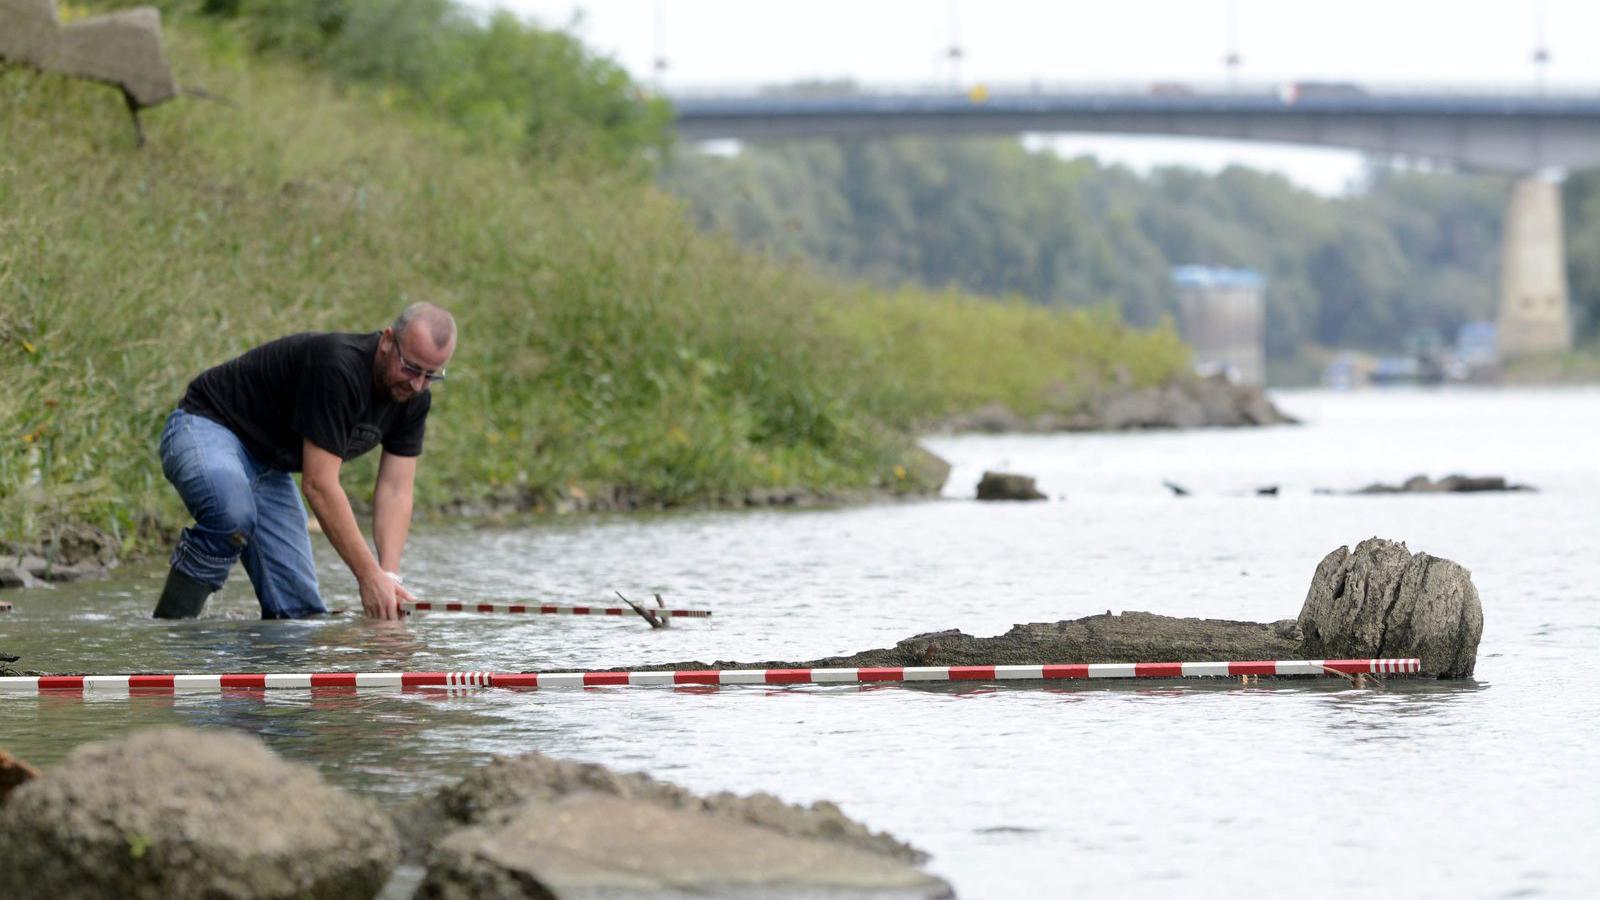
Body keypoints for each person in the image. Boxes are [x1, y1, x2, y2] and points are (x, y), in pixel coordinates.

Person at [154, 303, 456, 620]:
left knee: (299, 615)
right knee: (232, 516)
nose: (418, 384)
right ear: (387, 341)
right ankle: (170, 637)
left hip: (267, 467)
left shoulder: (413, 399)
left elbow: (396, 490)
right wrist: (368, 577)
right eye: (410, 368)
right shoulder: (338, 366)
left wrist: (388, 578)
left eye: (431, 375)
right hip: (205, 427)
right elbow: (319, 485)